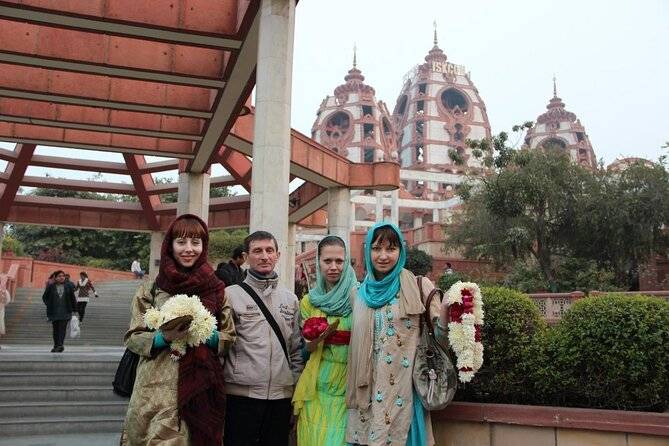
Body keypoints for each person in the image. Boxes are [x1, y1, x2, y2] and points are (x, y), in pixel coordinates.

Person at [120, 214, 235, 446]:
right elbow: (133, 337)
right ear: (170, 246)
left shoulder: (218, 290)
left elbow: (229, 338)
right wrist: (164, 338)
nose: (188, 249)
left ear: (204, 246)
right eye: (181, 242)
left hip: (202, 388)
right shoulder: (151, 289)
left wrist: (207, 336)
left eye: (195, 242)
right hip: (154, 390)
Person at [346, 222, 450, 446]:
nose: (383, 256)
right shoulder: (358, 294)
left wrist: (447, 312)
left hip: (405, 397)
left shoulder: (418, 286)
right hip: (368, 399)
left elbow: (442, 341)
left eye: (391, 249)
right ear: (367, 251)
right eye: (376, 248)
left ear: (401, 252)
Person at [223, 231, 305, 446]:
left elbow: (296, 348)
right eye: (257, 251)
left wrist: (293, 383)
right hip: (241, 397)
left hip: (281, 398)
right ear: (246, 256)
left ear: (278, 255)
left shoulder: (291, 299)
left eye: (269, 250)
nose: (264, 256)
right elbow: (222, 347)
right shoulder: (230, 295)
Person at [293, 235, 357, 446]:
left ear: (346, 262)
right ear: (318, 263)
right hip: (315, 387)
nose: (333, 267)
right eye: (327, 261)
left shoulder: (360, 298)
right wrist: (319, 338)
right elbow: (304, 351)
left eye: (339, 261)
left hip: (348, 388)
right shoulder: (309, 302)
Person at [42, 270, 77, 353]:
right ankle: (56, 345)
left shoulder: (68, 286)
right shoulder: (51, 286)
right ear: (55, 277)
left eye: (63, 276)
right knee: (55, 329)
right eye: (59, 276)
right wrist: (50, 304)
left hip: (65, 311)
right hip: (54, 312)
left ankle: (60, 345)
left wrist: (75, 310)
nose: (62, 277)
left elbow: (73, 298)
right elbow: (44, 297)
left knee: (62, 329)